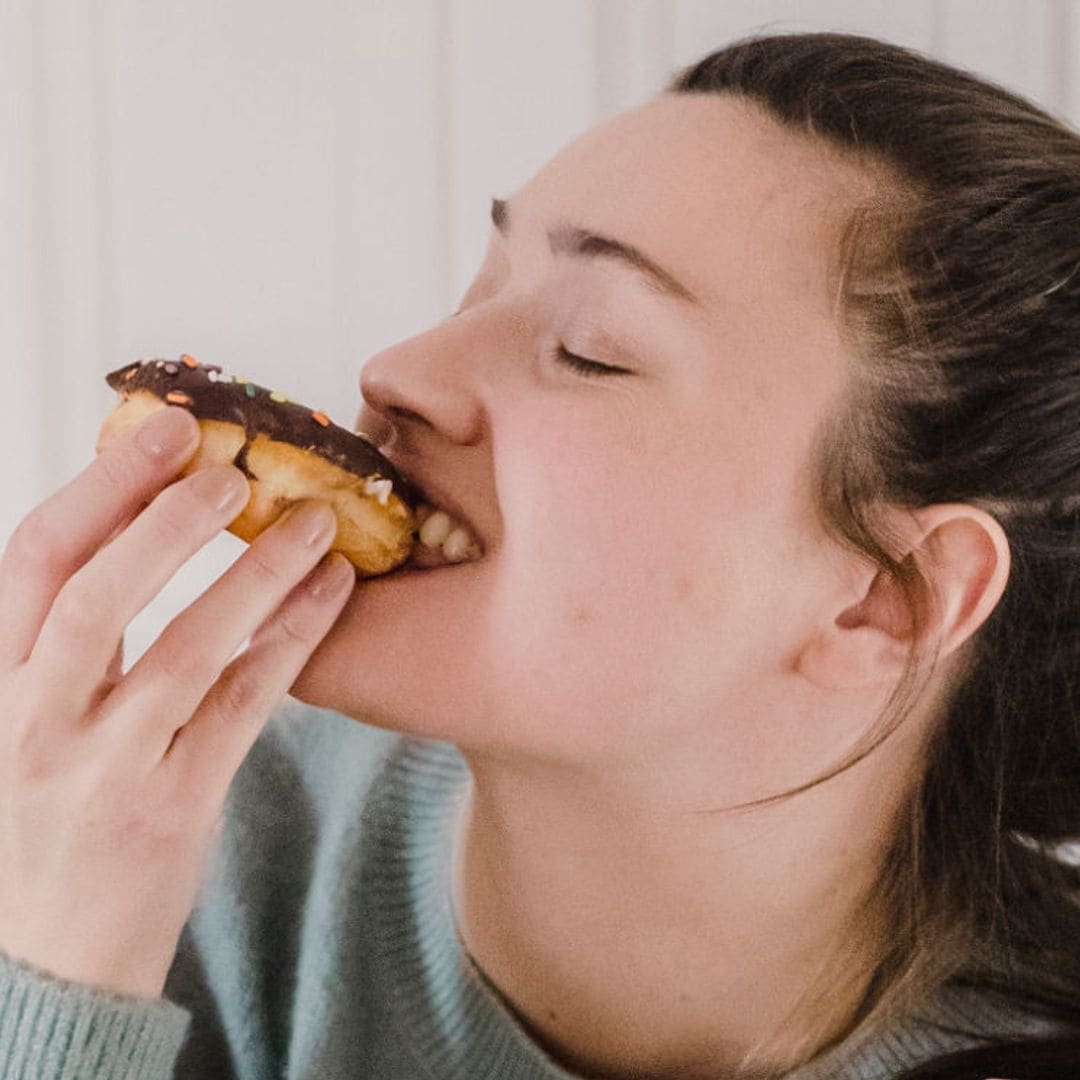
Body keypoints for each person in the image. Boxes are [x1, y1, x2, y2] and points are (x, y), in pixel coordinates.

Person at [1, 30, 1079, 1080]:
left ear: (886, 602)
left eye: (588, 350)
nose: (396, 369)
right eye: (482, 287)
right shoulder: (135, 852)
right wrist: (57, 980)